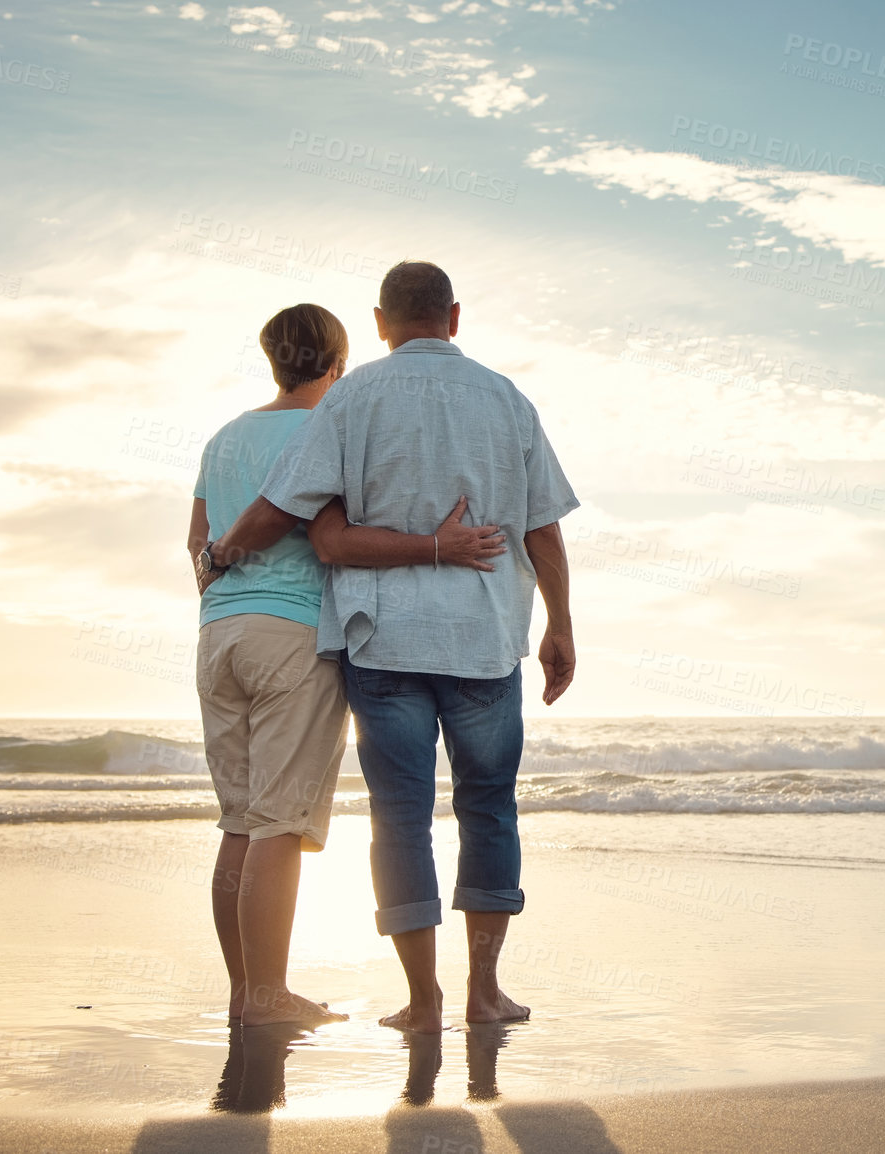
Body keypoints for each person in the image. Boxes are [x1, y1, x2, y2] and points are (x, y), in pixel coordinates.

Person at [206, 261, 578, 1033]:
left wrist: (219, 557)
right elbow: (542, 526)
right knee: (488, 809)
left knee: (399, 817)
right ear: (455, 316)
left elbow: (289, 509)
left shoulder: (351, 397)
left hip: (381, 644)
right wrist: (559, 625)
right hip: (481, 641)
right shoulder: (508, 399)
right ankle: (483, 991)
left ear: (380, 322)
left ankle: (423, 998)